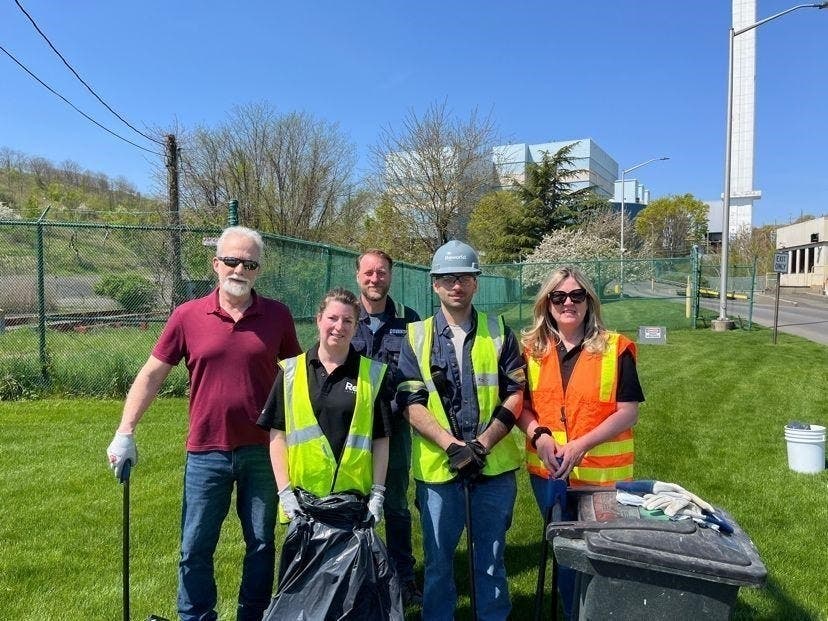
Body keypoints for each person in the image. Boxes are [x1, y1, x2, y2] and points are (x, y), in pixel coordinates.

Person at [106, 225, 302, 621]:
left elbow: (299, 376)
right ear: (216, 264)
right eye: (231, 261)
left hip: (263, 451)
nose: (239, 269)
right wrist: (124, 431)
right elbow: (151, 375)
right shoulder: (187, 316)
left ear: (258, 270)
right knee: (195, 547)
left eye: (249, 263)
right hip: (206, 450)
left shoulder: (277, 316)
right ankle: (195, 616)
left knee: (262, 543)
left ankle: (256, 614)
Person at [396, 240, 526, 621]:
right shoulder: (415, 336)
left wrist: (482, 445)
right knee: (438, 566)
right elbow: (410, 401)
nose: (456, 284)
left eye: (465, 277)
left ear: (476, 283)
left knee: (490, 561)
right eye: (448, 278)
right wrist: (452, 446)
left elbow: (517, 392)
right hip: (439, 472)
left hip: (494, 469)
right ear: (434, 284)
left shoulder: (499, 331)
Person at [516, 265, 644, 619]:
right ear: (547, 303)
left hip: (602, 479)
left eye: (576, 295)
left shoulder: (616, 348)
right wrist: (538, 435)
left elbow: (627, 412)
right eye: (559, 296)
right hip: (549, 473)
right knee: (565, 559)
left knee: (602, 562)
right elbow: (520, 407)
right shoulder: (529, 350)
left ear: (589, 301)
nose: (568, 303)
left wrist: (580, 444)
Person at [351, 249, 422, 606]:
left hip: (393, 429)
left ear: (390, 277)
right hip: (349, 431)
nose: (374, 278)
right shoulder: (345, 317)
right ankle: (356, 577)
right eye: (368, 272)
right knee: (350, 503)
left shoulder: (409, 320)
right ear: (357, 276)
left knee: (394, 504)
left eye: (381, 272)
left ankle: (402, 578)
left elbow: (418, 377)